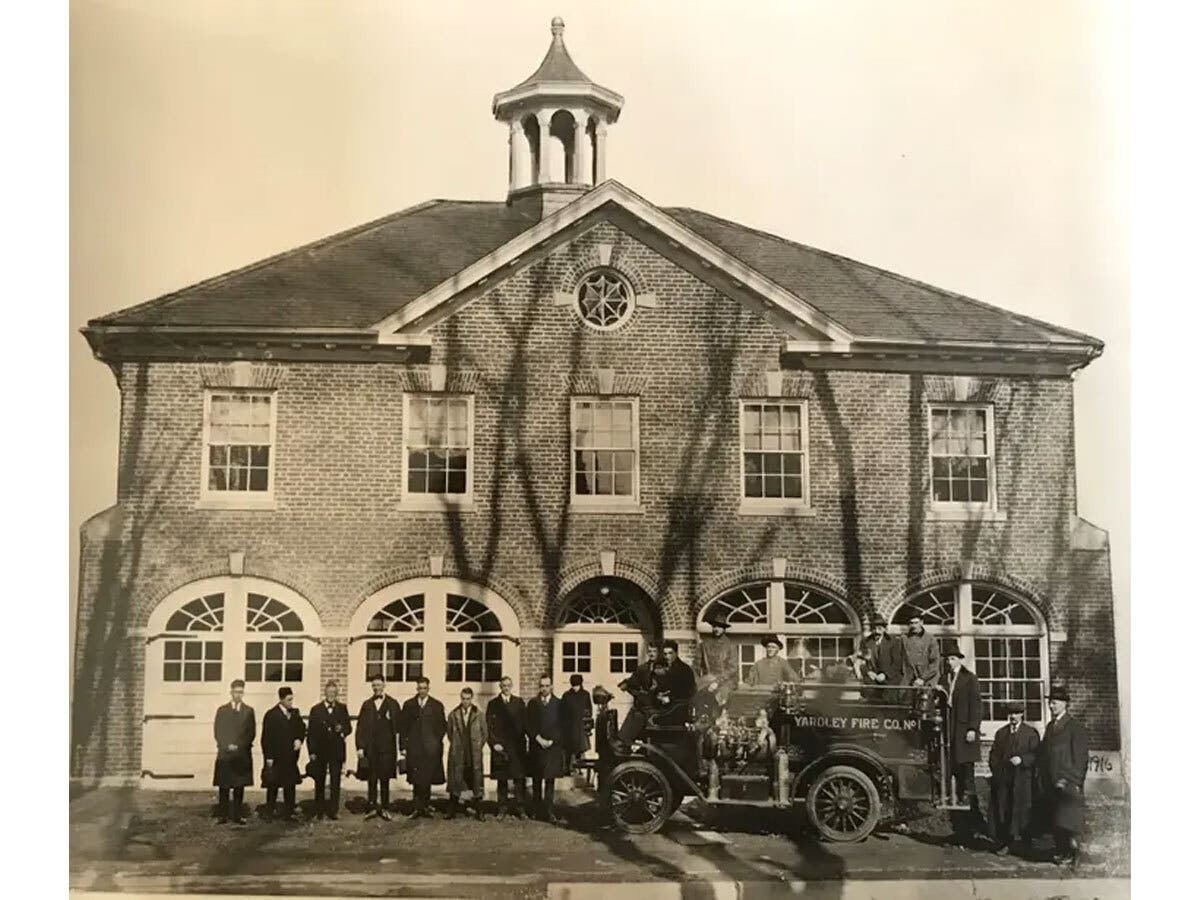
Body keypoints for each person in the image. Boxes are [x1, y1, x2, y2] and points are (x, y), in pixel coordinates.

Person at [1038, 685, 1088, 868]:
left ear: (1065, 704)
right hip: (1051, 783)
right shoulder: (1051, 727)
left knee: (1070, 821)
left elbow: (1081, 759)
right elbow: (1045, 754)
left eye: (1056, 702)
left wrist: (1069, 779)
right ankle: (1062, 852)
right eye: (1050, 702)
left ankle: (1074, 855)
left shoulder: (1075, 727)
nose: (1052, 706)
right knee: (1057, 821)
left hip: (1067, 783)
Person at [940, 648, 984, 846]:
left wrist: (973, 728)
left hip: (965, 735)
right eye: (947, 658)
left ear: (959, 659)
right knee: (953, 783)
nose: (949, 662)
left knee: (967, 782)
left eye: (952, 658)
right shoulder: (944, 679)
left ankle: (975, 827)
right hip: (948, 736)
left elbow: (976, 705)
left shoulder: (970, 678)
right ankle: (958, 830)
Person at [988, 701, 1040, 857]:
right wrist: (997, 772)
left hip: (1023, 780)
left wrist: (1023, 760)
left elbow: (1037, 755)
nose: (1013, 716)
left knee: (1024, 811)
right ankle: (1006, 843)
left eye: (1016, 713)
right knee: (1004, 810)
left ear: (1022, 714)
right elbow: (994, 755)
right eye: (1011, 713)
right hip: (1004, 779)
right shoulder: (1001, 733)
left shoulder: (1031, 733)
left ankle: (1026, 844)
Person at [355, 674, 403, 820]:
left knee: (385, 778)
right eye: (374, 685)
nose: (376, 688)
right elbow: (360, 727)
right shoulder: (367, 705)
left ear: (384, 685)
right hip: (371, 749)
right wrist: (360, 747)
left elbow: (400, 726)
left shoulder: (393, 704)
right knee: (371, 778)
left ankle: (385, 807)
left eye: (379, 685)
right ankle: (371, 806)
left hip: (387, 749)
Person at [400, 676, 447, 818]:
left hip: (430, 749)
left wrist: (435, 741)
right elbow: (403, 727)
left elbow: (442, 727)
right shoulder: (409, 705)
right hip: (414, 748)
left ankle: (425, 806)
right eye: (419, 688)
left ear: (428, 688)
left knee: (427, 779)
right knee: (415, 779)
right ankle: (416, 807)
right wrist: (403, 746)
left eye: (424, 688)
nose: (422, 691)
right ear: (416, 688)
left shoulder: (436, 705)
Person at [307, 679, 352, 820]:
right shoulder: (316, 710)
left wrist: (342, 729)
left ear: (337, 693)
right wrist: (312, 752)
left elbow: (349, 728)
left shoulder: (342, 708)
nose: (331, 695)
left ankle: (333, 810)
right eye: (329, 692)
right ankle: (319, 810)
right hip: (320, 751)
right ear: (325, 693)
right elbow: (311, 733)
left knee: (335, 780)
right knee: (319, 780)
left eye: (334, 692)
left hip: (336, 750)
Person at [212, 679, 255, 826]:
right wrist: (226, 745)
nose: (238, 695)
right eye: (236, 692)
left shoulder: (249, 711)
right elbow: (218, 731)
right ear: (231, 692)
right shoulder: (222, 710)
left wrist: (239, 746)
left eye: (241, 692)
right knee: (224, 786)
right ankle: (223, 815)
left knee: (239, 786)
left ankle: (237, 815)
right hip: (225, 753)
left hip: (241, 754)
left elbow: (251, 733)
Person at [486, 675, 528, 819]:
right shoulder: (493, 704)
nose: (506, 688)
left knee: (518, 779)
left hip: (516, 747)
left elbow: (525, 725)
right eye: (503, 685)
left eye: (508, 685)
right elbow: (489, 727)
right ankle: (502, 808)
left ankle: (520, 808)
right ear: (500, 687)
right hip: (500, 746)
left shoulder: (519, 703)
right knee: (502, 779)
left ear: (512, 686)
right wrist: (494, 743)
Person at [526, 674, 567, 824]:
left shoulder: (559, 703)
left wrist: (552, 741)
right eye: (541, 686)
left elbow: (562, 726)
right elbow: (528, 724)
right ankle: (536, 810)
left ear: (551, 687)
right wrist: (537, 738)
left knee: (550, 780)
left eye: (546, 685)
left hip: (552, 747)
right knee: (537, 779)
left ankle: (549, 811)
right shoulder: (533, 703)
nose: (544, 688)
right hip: (537, 746)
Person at [261, 685, 306, 821]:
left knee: (289, 785)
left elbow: (302, 728)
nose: (291, 703)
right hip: (276, 757)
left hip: (290, 757)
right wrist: (269, 757)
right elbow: (266, 738)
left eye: (292, 699)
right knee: (273, 784)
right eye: (288, 700)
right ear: (281, 700)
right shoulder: (271, 715)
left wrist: (299, 739)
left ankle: (289, 812)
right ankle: (269, 811)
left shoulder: (294, 713)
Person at [446, 687, 487, 821]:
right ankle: (452, 809)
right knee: (456, 779)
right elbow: (450, 734)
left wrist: (477, 746)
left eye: (468, 699)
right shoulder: (454, 714)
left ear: (472, 698)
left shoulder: (479, 714)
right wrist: (457, 746)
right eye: (463, 698)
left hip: (473, 752)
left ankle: (479, 810)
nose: (465, 701)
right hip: (459, 752)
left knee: (476, 781)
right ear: (460, 698)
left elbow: (484, 734)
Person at [859, 614, 904, 700]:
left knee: (888, 704)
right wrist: (868, 672)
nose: (877, 631)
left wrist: (885, 674)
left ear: (884, 629)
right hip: (871, 680)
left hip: (889, 680)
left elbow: (897, 663)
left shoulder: (893, 642)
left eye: (879, 628)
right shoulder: (865, 642)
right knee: (870, 702)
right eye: (874, 628)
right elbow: (861, 661)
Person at [654, 640, 697, 724]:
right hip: (662, 706)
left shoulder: (685, 670)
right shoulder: (661, 668)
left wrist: (670, 698)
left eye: (670, 653)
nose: (667, 656)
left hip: (679, 708)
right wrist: (658, 694)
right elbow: (657, 686)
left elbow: (688, 691)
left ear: (676, 653)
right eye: (665, 654)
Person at [697, 615, 738, 700]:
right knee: (696, 695)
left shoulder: (730, 645)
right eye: (715, 626)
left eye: (720, 627)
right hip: (708, 678)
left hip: (726, 680)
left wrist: (717, 682)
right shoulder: (704, 644)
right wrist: (695, 679)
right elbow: (696, 664)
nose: (716, 629)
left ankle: (723, 712)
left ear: (724, 629)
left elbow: (732, 668)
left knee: (721, 696)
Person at [900, 614, 941, 688]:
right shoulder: (904, 639)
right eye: (911, 623)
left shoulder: (930, 639)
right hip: (908, 681)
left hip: (927, 680)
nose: (913, 626)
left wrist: (922, 678)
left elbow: (935, 662)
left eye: (916, 623)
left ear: (921, 622)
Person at [561, 673, 593, 767]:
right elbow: (562, 711)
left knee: (580, 748)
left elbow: (589, 709)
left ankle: (579, 767)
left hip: (580, 726)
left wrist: (587, 724)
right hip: (569, 726)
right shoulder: (566, 695)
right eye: (573, 685)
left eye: (577, 685)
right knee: (568, 749)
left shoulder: (585, 695)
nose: (575, 687)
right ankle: (567, 768)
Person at [591, 685, 619, 794]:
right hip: (604, 749)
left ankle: (604, 792)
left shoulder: (605, 715)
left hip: (606, 749)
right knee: (603, 770)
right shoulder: (604, 714)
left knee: (605, 770)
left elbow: (609, 734)